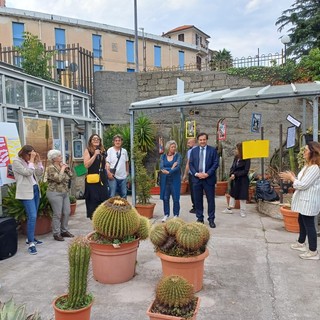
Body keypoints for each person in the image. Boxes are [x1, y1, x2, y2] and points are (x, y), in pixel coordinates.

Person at [279, 141, 320, 260]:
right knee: (301, 221)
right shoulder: (308, 166)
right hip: (304, 200)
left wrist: (292, 178)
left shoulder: (315, 168)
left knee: (309, 225)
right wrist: (294, 177)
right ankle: (301, 243)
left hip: (309, 201)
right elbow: (301, 182)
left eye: (306, 150)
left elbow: (302, 185)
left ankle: (313, 251)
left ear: (313, 153)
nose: (304, 153)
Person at [12, 145, 44, 255]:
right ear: (24, 153)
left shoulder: (30, 162)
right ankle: (31, 243)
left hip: (35, 190)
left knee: (33, 217)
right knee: (32, 216)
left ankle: (31, 238)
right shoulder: (16, 162)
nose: (31, 157)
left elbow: (39, 174)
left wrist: (38, 162)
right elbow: (27, 172)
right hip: (25, 192)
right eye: (30, 155)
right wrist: (31, 161)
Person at [189, 132, 219, 228]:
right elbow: (191, 164)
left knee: (210, 200)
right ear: (198, 141)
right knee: (198, 200)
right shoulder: (194, 151)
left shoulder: (212, 150)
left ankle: (211, 219)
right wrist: (197, 174)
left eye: (204, 139)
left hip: (209, 179)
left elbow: (215, 163)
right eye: (200, 140)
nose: (202, 141)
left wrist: (207, 174)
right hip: (197, 179)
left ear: (206, 140)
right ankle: (200, 218)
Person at [46, 149, 74, 241]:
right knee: (57, 214)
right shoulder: (51, 168)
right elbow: (58, 179)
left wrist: (66, 169)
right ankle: (56, 233)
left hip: (64, 192)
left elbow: (71, 176)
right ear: (54, 158)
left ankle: (64, 230)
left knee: (67, 212)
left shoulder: (62, 166)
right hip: (55, 193)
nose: (61, 157)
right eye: (59, 156)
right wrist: (62, 169)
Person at [222, 142, 251, 217]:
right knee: (233, 193)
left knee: (242, 195)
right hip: (235, 179)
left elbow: (246, 171)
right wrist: (231, 173)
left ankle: (243, 211)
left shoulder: (247, 158)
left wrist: (235, 174)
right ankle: (229, 208)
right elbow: (233, 167)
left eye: (237, 149)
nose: (235, 150)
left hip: (243, 180)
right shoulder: (236, 157)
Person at [83, 134, 109, 219]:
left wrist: (107, 164)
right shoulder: (88, 150)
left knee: (103, 200)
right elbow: (86, 165)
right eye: (94, 139)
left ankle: (103, 220)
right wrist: (94, 155)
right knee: (93, 201)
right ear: (90, 141)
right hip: (93, 180)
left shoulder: (103, 150)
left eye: (98, 139)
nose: (96, 140)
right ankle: (94, 220)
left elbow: (104, 163)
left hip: (102, 178)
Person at [159, 140, 182, 222]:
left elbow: (178, 167)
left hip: (175, 180)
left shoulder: (178, 156)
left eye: (174, 147)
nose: (174, 148)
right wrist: (172, 168)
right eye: (172, 147)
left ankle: (176, 214)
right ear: (168, 147)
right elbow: (161, 167)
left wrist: (169, 171)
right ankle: (166, 214)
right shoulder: (163, 157)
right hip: (165, 181)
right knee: (165, 198)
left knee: (176, 198)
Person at [106, 134, 129, 199]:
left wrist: (127, 172)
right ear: (113, 142)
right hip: (113, 176)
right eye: (116, 140)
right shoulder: (110, 150)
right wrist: (108, 173)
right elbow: (107, 162)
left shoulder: (124, 151)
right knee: (112, 195)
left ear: (121, 142)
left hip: (123, 177)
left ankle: (124, 209)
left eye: (119, 140)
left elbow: (126, 162)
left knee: (124, 195)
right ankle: (111, 209)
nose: (117, 142)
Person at [182, 137, 197, 213]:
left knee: (193, 191)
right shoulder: (199, 149)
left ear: (194, 142)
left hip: (192, 174)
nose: (187, 144)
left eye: (189, 142)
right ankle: (198, 206)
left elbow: (188, 163)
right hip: (199, 173)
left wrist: (185, 174)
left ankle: (195, 207)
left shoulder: (191, 151)